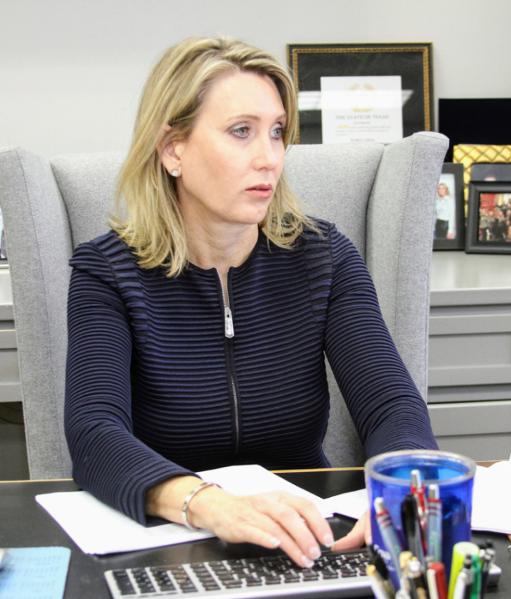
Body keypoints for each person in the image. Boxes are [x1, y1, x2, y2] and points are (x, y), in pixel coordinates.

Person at [64, 36, 438, 570]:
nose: (269, 158)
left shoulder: (323, 256)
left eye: (278, 132)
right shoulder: (107, 272)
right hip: (172, 541)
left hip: (308, 539)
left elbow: (391, 405)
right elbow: (94, 433)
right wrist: (209, 504)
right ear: (173, 149)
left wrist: (402, 484)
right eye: (242, 132)